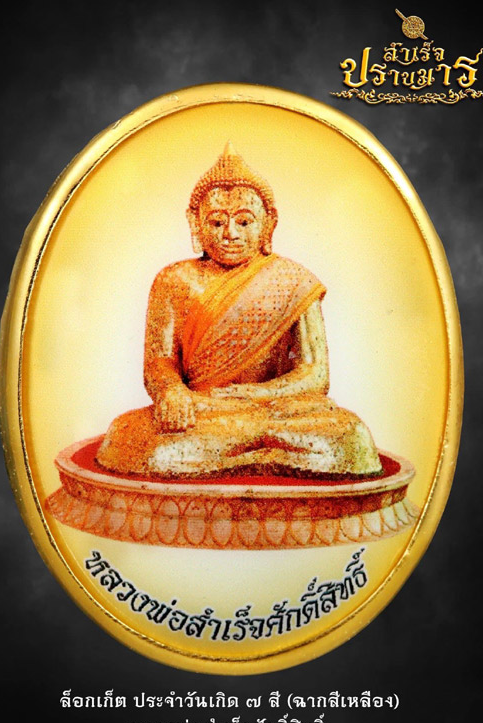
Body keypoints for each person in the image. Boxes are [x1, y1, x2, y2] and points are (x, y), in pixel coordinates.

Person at [96, 144, 382, 479]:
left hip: (273, 408)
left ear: (268, 224)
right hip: (203, 409)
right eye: (217, 222)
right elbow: (160, 362)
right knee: (130, 437)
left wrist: (255, 395)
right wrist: (172, 392)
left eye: (245, 221)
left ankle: (248, 444)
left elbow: (315, 374)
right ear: (195, 223)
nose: (230, 234)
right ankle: (262, 447)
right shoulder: (174, 280)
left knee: (349, 435)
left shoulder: (293, 280)